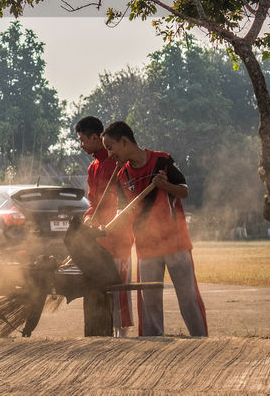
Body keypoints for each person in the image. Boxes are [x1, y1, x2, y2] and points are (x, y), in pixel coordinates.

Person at [102, 120, 207, 337]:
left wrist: (165, 185)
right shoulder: (123, 175)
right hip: (146, 246)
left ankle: (201, 340)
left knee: (188, 297)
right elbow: (125, 211)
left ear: (124, 141)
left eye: (110, 148)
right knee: (149, 302)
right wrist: (106, 227)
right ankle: (152, 344)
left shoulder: (162, 160)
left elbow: (184, 192)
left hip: (175, 242)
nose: (110, 154)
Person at [74, 115, 134, 336]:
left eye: (82, 140)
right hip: (99, 241)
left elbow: (124, 201)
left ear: (95, 137)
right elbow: (93, 203)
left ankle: (123, 336)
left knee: (120, 289)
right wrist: (89, 218)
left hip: (119, 238)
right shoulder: (93, 168)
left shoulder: (118, 164)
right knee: (101, 289)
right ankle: (105, 334)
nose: (81, 145)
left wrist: (110, 223)